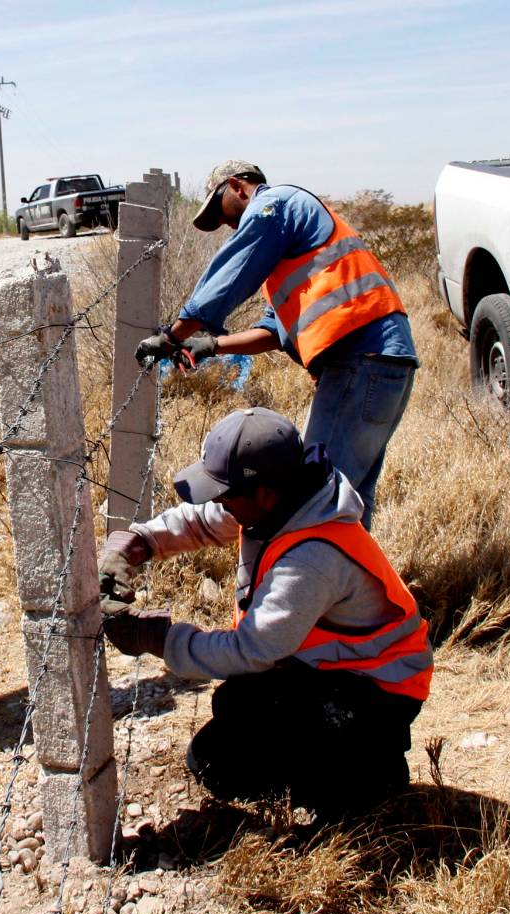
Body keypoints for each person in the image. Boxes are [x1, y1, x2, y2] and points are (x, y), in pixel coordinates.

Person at [98, 407, 432, 815]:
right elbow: (201, 521)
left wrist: (154, 638)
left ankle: (368, 773)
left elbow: (250, 650)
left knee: (222, 766)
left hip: (378, 689)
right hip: (331, 667)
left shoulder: (311, 558)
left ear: (265, 494)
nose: (219, 503)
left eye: (225, 494)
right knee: (237, 707)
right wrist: (135, 543)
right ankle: (347, 759)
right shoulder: (285, 500)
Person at [135, 161, 418, 529]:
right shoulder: (292, 251)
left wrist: (173, 336)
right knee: (348, 496)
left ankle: (320, 584)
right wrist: (212, 345)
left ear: (237, 187)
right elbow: (272, 331)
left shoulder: (275, 204)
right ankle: (357, 581)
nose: (229, 227)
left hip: (360, 358)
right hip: (383, 361)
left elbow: (231, 275)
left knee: (315, 498)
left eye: (222, 213)